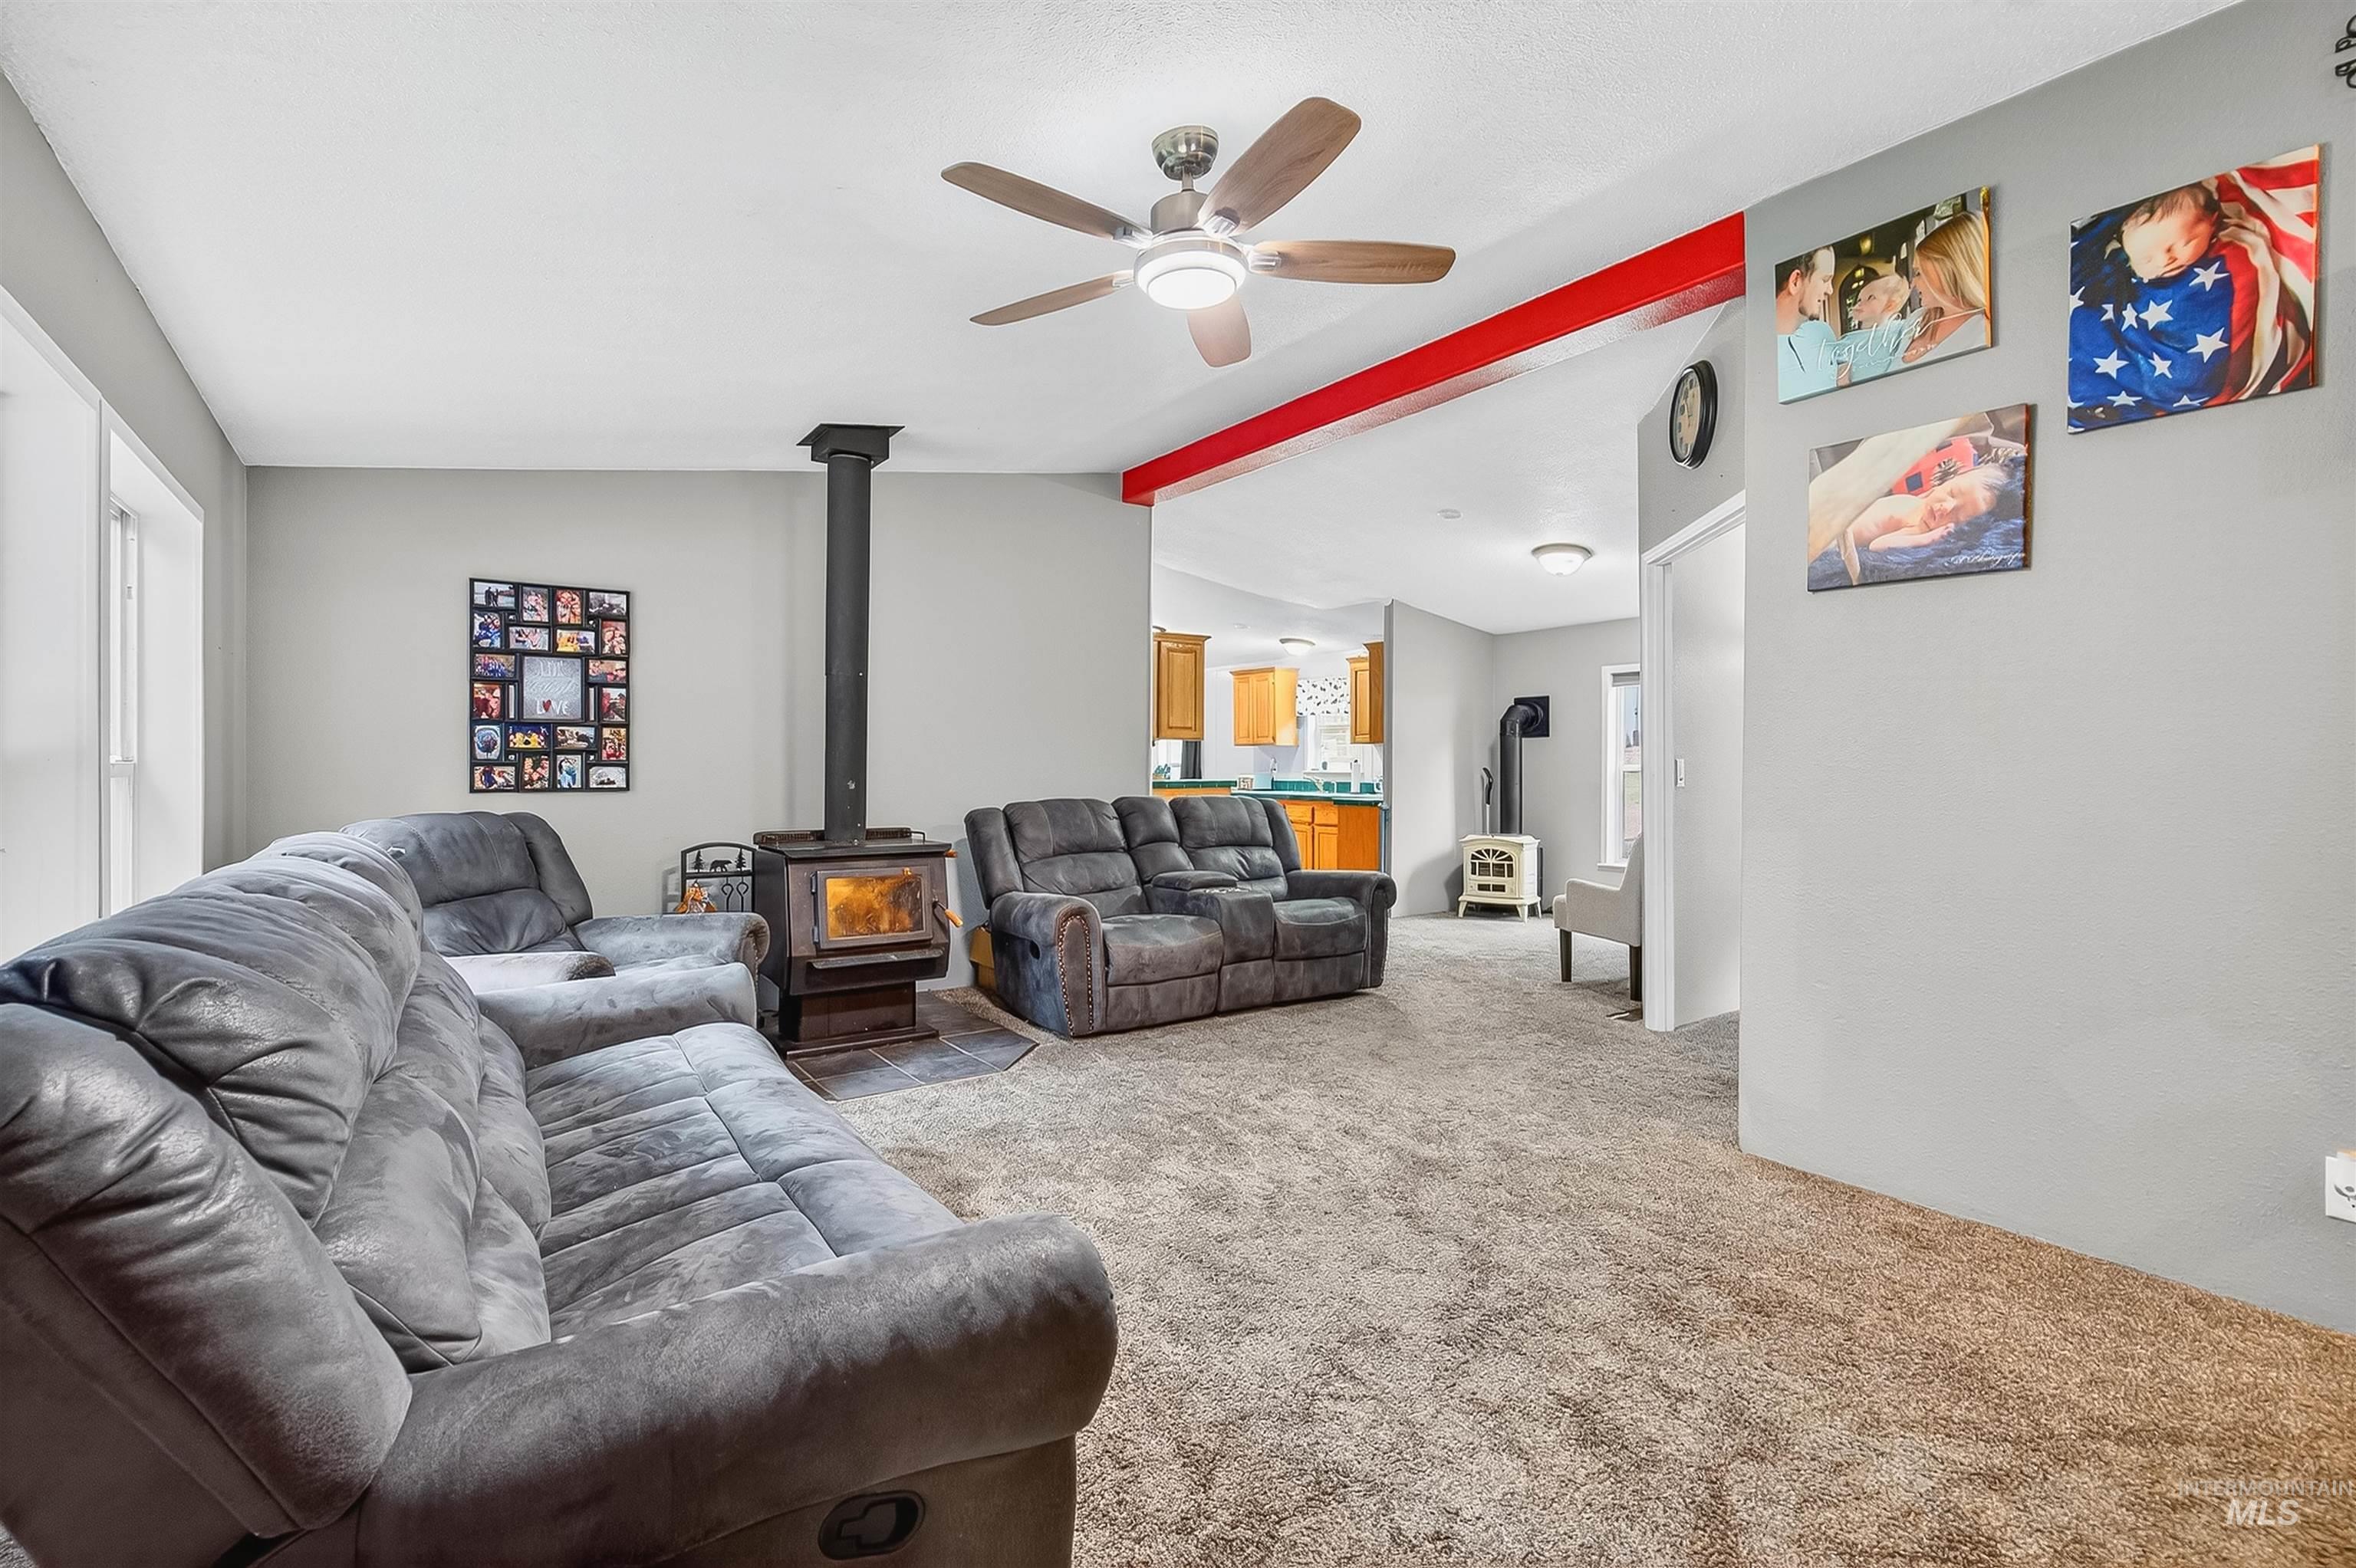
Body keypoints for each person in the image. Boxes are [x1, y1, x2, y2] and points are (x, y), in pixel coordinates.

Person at [1900, 208, 1990, 363]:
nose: (1913, 283)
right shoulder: (1916, 319)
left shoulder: (1983, 332)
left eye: (1919, 273)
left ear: (1949, 271)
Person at [1774, 246, 1838, 399]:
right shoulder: (1762, 356)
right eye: (1825, 279)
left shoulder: (1823, 334)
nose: (1830, 290)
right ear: (1795, 281)